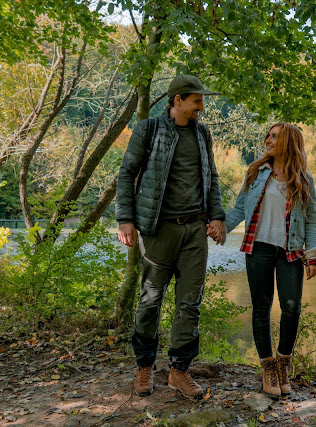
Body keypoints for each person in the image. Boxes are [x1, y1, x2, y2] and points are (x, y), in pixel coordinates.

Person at [116, 75, 227, 400]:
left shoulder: (202, 133)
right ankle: (145, 365)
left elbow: (213, 177)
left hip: (196, 230)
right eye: (196, 101)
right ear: (177, 100)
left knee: (189, 303)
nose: (201, 108)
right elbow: (126, 173)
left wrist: (217, 216)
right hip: (158, 228)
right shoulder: (148, 129)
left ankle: (179, 371)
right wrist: (125, 219)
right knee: (151, 299)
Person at [222, 122, 316, 397]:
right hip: (259, 249)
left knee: (292, 309)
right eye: (268, 134)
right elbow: (239, 208)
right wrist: (220, 228)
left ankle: (283, 364)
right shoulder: (256, 172)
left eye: (274, 136)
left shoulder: (304, 179)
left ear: (288, 142)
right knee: (261, 308)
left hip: (290, 252)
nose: (268, 139)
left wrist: (312, 257)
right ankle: (268, 369)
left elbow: (311, 222)